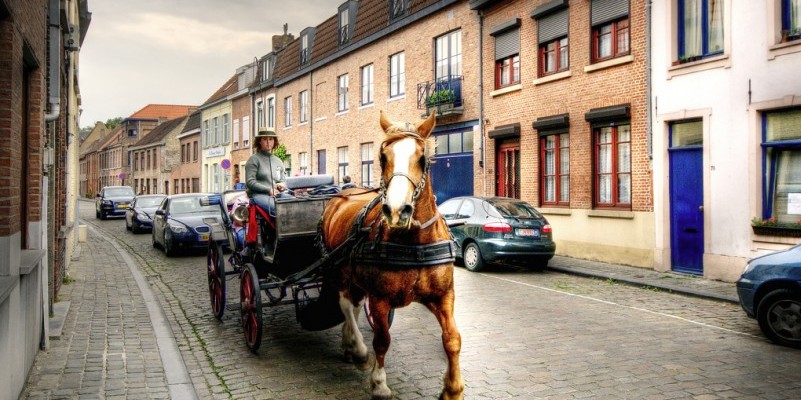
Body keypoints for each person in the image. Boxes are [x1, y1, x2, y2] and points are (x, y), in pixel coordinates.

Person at [245, 128, 289, 217]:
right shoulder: (254, 160)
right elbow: (250, 182)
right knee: (277, 209)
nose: (268, 142)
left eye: (271, 139)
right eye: (265, 139)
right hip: (259, 195)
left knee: (295, 204)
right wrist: (268, 190)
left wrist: (282, 186)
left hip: (277, 194)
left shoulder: (278, 161)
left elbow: (283, 180)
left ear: (274, 141)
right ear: (259, 142)